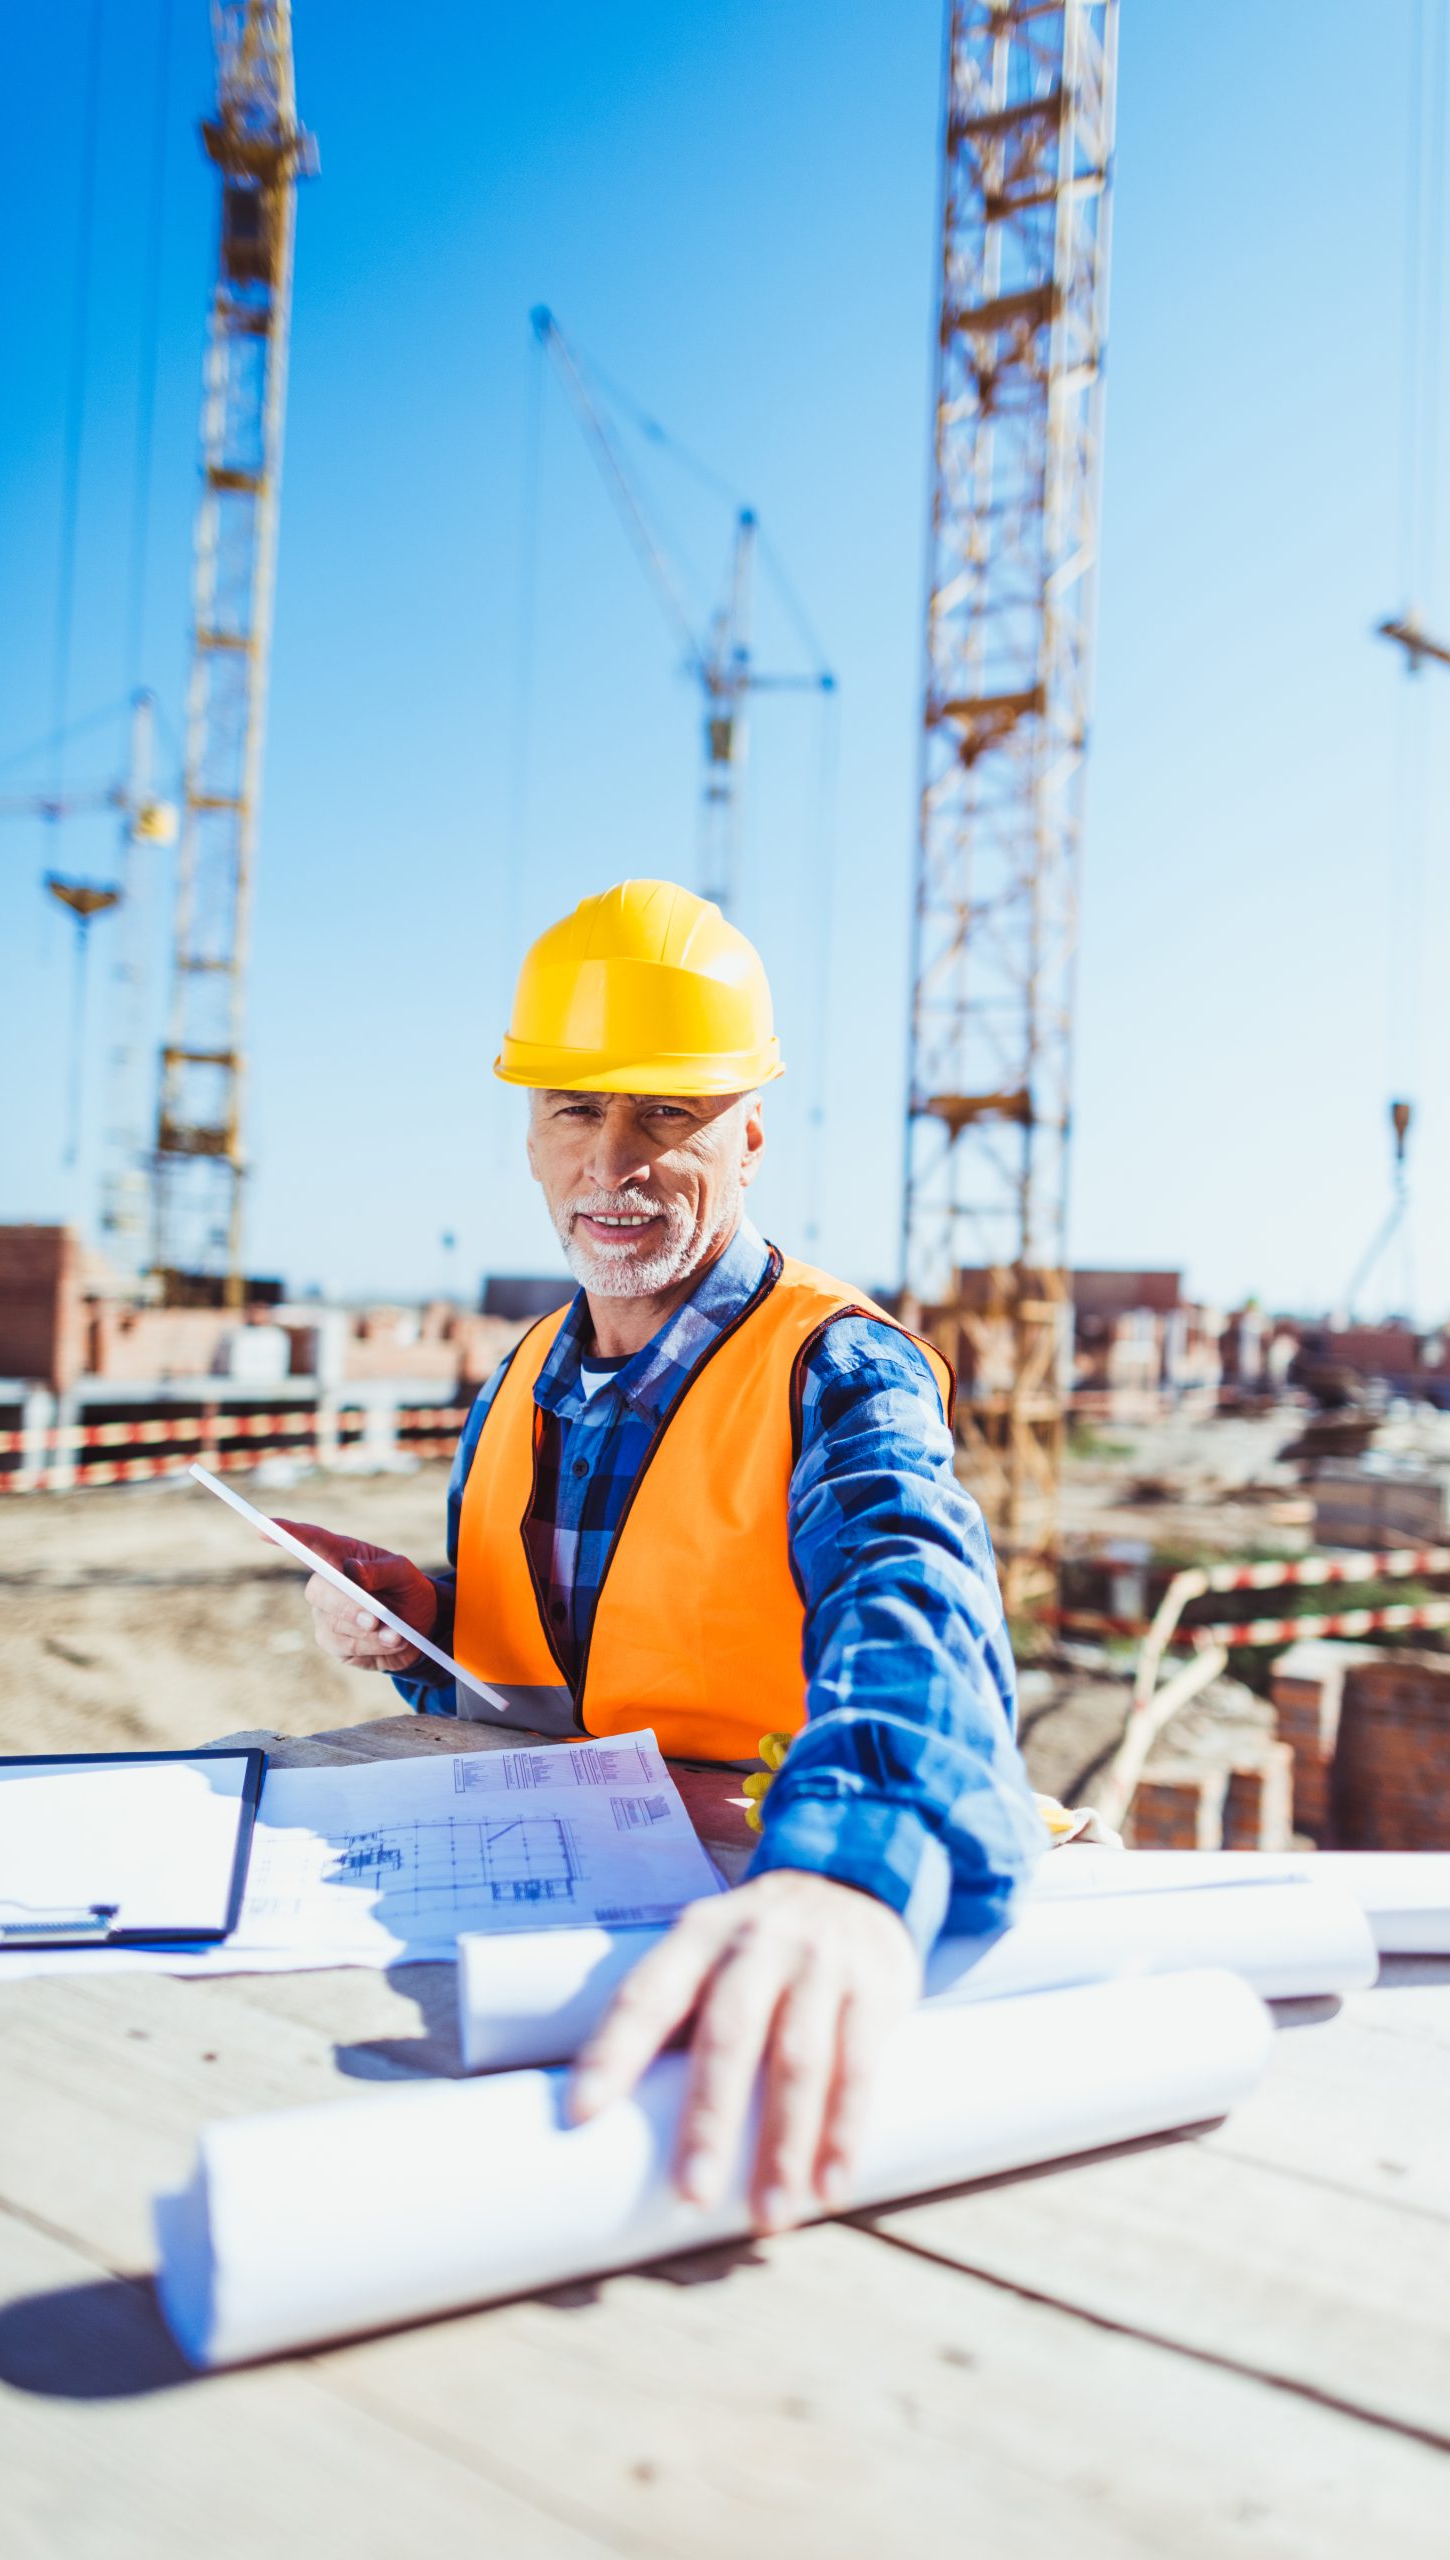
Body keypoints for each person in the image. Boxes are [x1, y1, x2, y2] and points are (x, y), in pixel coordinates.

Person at [283, 879, 1041, 2232]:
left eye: (666, 1113)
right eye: (576, 1109)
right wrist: (419, 1626)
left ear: (748, 1136)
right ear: (529, 1137)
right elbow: (581, 1665)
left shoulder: (836, 1368)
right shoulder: (522, 1374)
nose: (611, 1161)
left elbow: (909, 1599)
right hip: (530, 1897)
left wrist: (845, 1872)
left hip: (760, 1904)